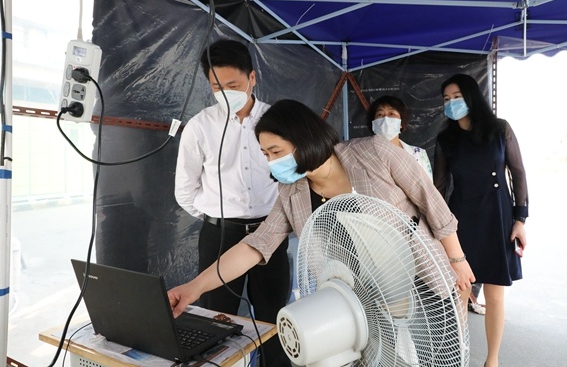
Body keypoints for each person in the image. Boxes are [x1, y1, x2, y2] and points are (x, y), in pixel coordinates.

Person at [170, 99, 476, 363]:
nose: (271, 162)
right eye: (265, 155)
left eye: (276, 151)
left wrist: (457, 260)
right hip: (359, 304)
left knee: (437, 356)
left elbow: (431, 202)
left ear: (303, 138)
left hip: (418, 279)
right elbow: (256, 245)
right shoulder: (292, 193)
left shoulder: (375, 152)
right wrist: (195, 287)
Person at [174, 39, 291, 366]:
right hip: (220, 236)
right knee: (214, 320)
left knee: (273, 318)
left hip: (270, 233)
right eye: (217, 87)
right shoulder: (200, 127)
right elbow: (185, 190)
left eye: (233, 85)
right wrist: (218, 217)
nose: (226, 93)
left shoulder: (277, 121)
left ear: (252, 78)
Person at [433, 74, 528, 367]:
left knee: (495, 295)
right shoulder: (446, 139)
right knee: (460, 293)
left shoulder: (500, 129)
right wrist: (436, 228)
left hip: (499, 216)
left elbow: (518, 173)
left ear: (472, 96)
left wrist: (520, 219)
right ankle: (459, 357)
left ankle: (492, 360)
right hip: (462, 219)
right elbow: (438, 187)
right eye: (446, 99)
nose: (451, 103)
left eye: (457, 97)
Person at [367, 95, 432, 178]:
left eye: (391, 114)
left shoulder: (418, 154)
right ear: (373, 123)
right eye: (380, 114)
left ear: (401, 123)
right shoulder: (363, 155)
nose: (385, 118)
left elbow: (428, 185)